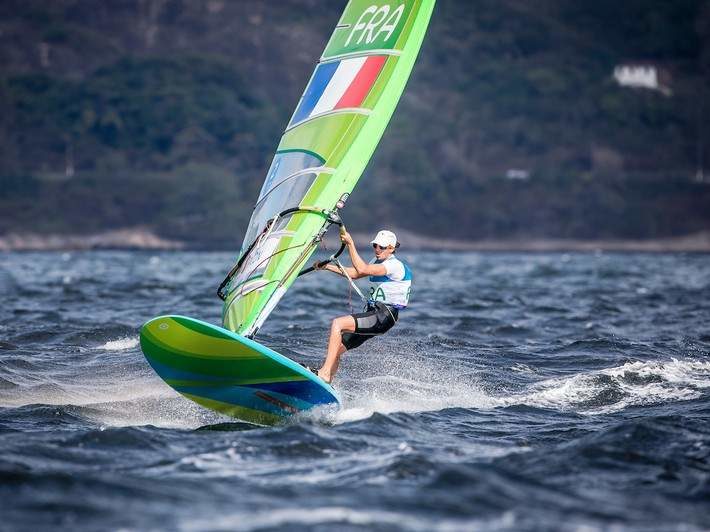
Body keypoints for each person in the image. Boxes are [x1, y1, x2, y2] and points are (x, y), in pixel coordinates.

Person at [313, 228, 411, 383]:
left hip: (384, 315)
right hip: (375, 314)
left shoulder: (394, 266)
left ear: (392, 248)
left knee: (338, 324)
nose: (378, 250)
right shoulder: (376, 261)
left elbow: (363, 269)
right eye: (375, 246)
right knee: (336, 349)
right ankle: (327, 380)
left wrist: (351, 244)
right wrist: (327, 267)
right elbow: (355, 273)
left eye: (382, 247)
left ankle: (324, 372)